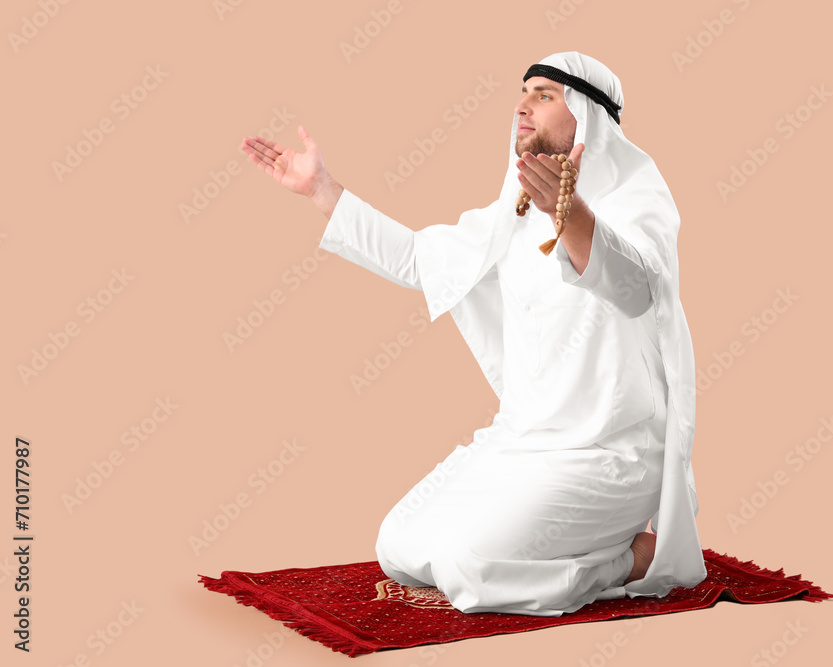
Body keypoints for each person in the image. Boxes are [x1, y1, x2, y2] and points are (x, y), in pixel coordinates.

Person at [240, 51, 706, 617]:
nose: (522, 106)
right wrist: (322, 191)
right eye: (523, 93)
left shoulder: (638, 199)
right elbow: (418, 258)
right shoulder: (513, 214)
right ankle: (573, 549)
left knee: (466, 566)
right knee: (399, 545)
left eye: (544, 95)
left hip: (608, 455)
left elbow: (636, 288)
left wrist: (571, 214)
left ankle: (628, 559)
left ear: (587, 114)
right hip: (520, 441)